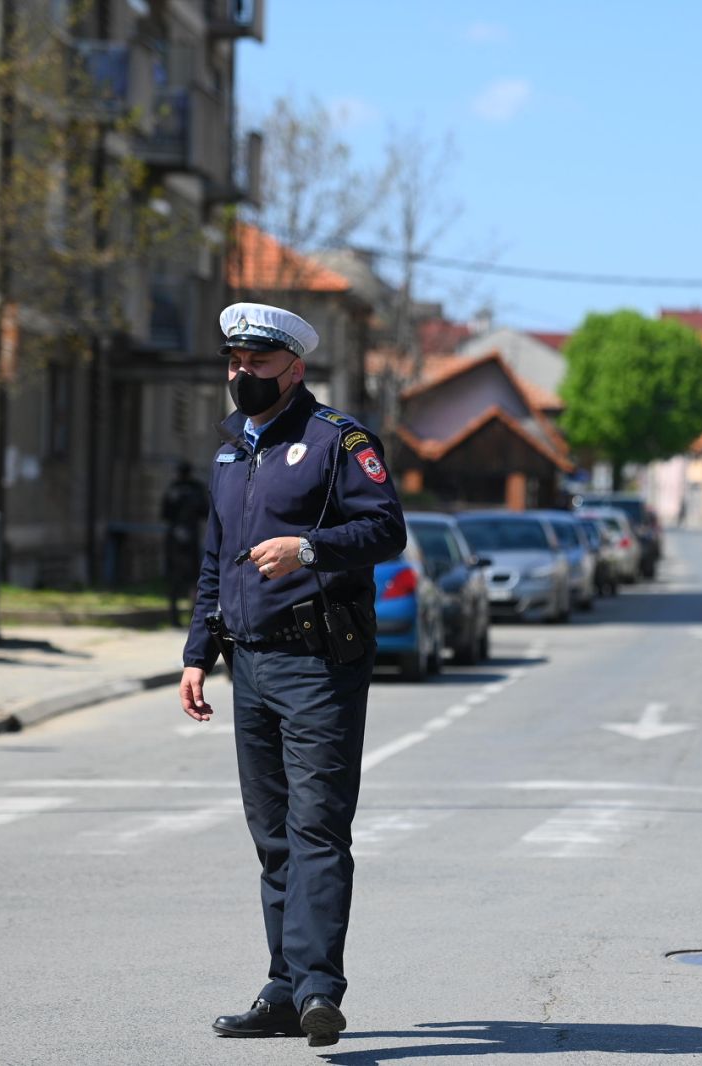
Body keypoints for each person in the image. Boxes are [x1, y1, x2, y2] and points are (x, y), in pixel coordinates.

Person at [178, 302, 406, 1048]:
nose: (242, 374)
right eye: (235, 362)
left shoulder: (337, 441)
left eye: (258, 363)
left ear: (295, 368)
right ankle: (283, 987)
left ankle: (317, 989)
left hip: (318, 664)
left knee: (316, 828)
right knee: (272, 834)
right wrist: (195, 654)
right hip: (251, 660)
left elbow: (385, 528)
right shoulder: (233, 451)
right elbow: (216, 561)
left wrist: (306, 549)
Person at [159, 461, 210, 626]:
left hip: (174, 536)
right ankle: (192, 616)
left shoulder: (173, 488)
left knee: (174, 578)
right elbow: (205, 511)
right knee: (194, 579)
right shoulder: (196, 489)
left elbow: (164, 514)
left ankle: (173, 617)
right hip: (191, 536)